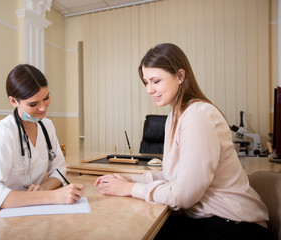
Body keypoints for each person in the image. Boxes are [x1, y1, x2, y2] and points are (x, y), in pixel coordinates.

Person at [94, 43, 271, 239]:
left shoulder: (198, 115)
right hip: (209, 218)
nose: (149, 90)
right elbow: (175, 176)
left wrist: (130, 189)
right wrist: (129, 179)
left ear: (180, 76)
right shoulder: (174, 116)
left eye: (156, 81)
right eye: (146, 82)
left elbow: (184, 195)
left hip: (235, 224)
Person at [0, 64, 83, 219]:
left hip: (25, 211)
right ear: (14, 101)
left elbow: (59, 169)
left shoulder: (47, 126)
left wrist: (43, 189)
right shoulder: (3, 132)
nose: (43, 108)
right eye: (33, 104)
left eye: (46, 98)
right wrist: (53, 196)